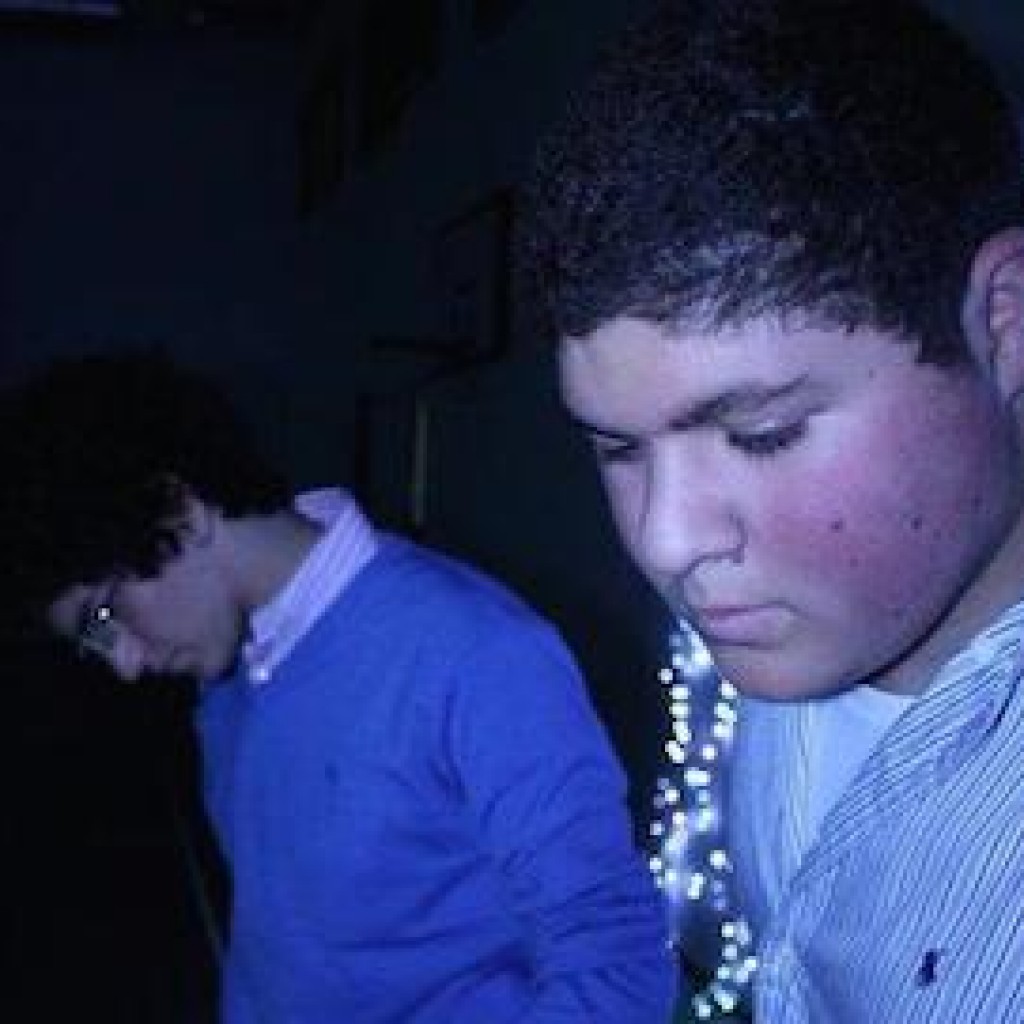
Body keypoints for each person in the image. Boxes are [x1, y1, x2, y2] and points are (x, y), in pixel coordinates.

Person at [520, 0, 1024, 1020]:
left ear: (1005, 324)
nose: (665, 541)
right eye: (617, 449)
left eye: (761, 433)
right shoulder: (780, 638)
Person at [0, 349, 678, 1023]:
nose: (124, 664)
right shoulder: (232, 674)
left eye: (105, 615)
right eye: (93, 641)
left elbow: (618, 971)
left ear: (181, 513)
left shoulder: (473, 650)